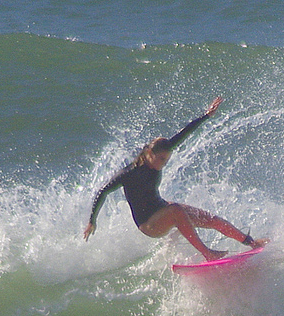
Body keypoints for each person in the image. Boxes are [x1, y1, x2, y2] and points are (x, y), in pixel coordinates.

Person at [83, 96, 267, 261]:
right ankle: (208, 254)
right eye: (161, 159)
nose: (163, 163)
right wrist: (92, 220)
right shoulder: (129, 173)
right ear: (148, 154)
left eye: (166, 159)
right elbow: (103, 190)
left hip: (162, 209)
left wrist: (206, 116)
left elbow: (184, 134)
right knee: (177, 210)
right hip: (149, 225)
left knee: (210, 219)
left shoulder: (161, 152)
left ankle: (251, 242)